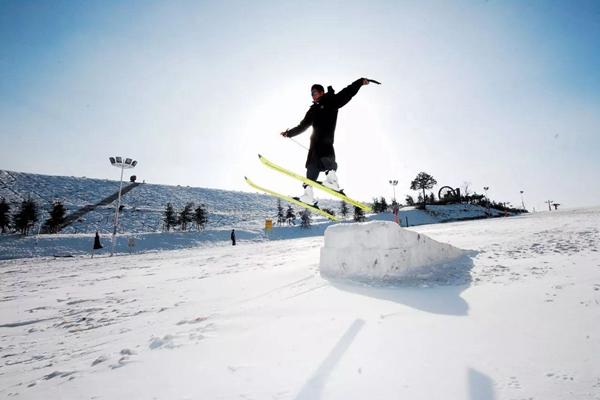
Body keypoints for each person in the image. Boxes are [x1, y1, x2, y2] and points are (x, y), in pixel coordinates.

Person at [281, 77, 371, 204]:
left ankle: (332, 180)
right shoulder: (312, 110)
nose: (313, 96)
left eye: (315, 92)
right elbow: (302, 126)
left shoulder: (331, 101)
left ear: (322, 92)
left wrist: (359, 82)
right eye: (311, 94)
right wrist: (289, 133)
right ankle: (308, 194)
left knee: (325, 152)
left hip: (325, 141)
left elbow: (347, 93)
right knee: (311, 166)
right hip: (314, 145)